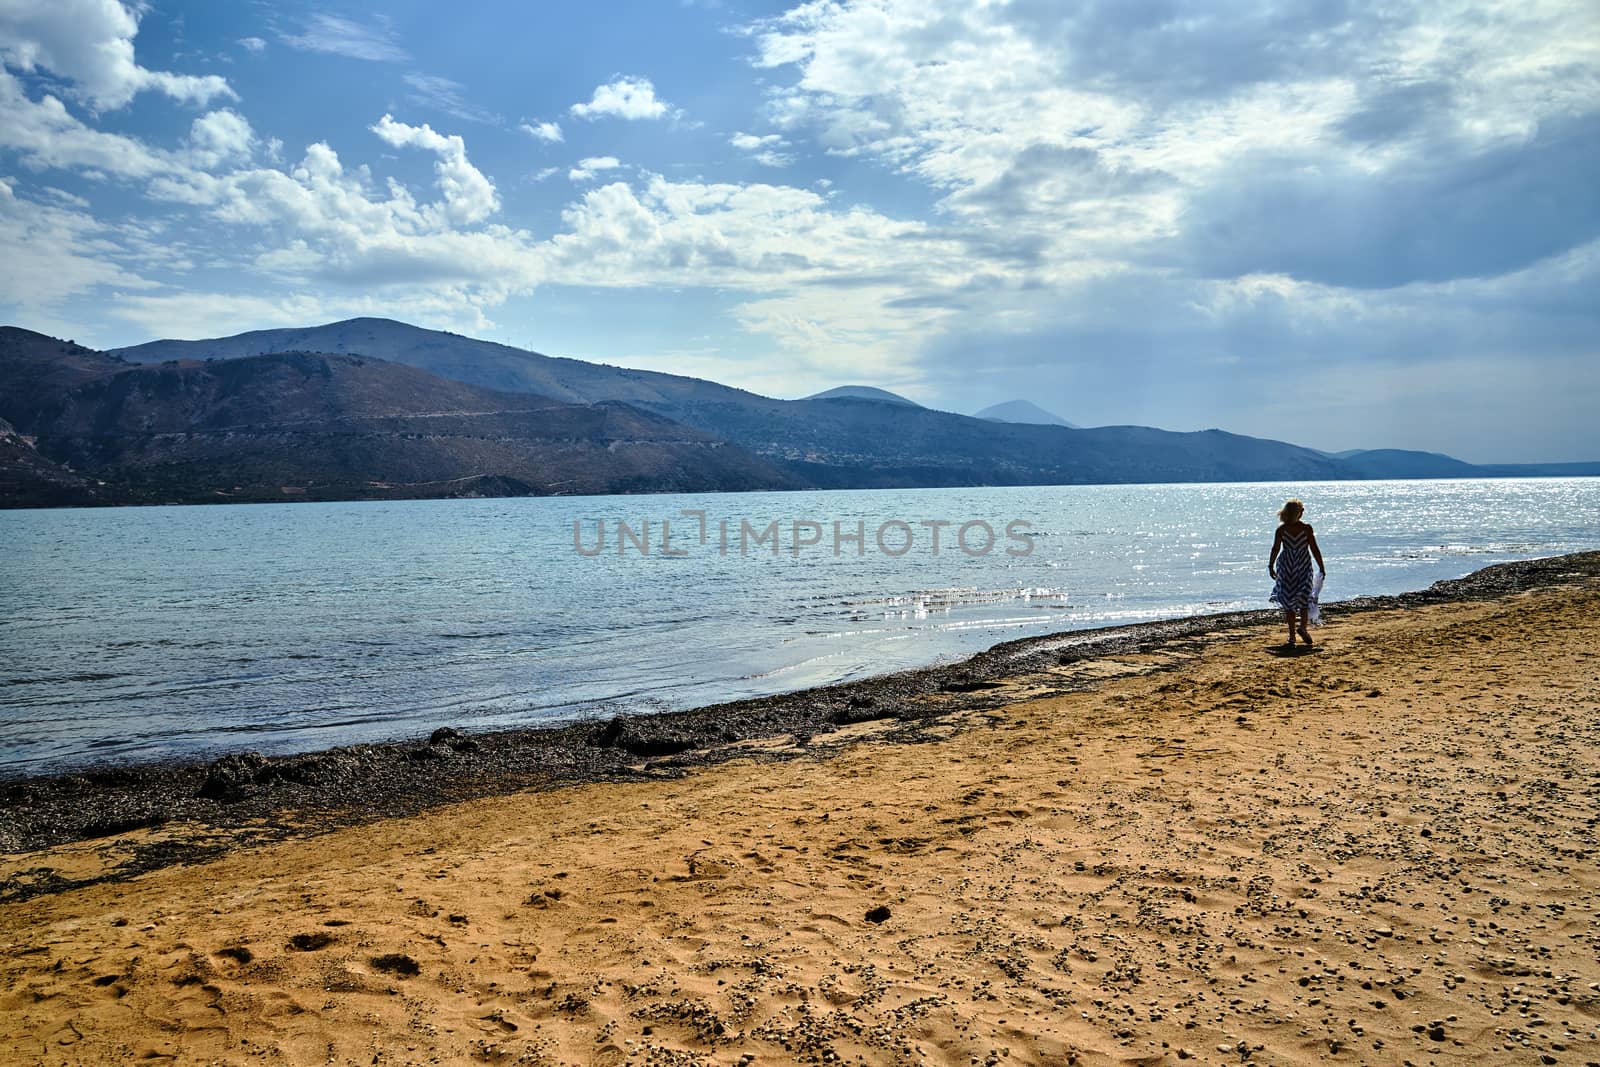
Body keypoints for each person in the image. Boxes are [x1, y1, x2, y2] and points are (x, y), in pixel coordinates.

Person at [1268, 498, 1325, 647]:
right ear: (1299, 513)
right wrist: (1321, 566)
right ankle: (1303, 629)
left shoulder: (1281, 530)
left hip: (1286, 567)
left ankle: (1292, 637)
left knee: (1289, 602)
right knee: (1304, 601)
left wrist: (1270, 565)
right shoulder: (1306, 528)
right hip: (1303, 566)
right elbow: (1314, 549)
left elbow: (1275, 549)